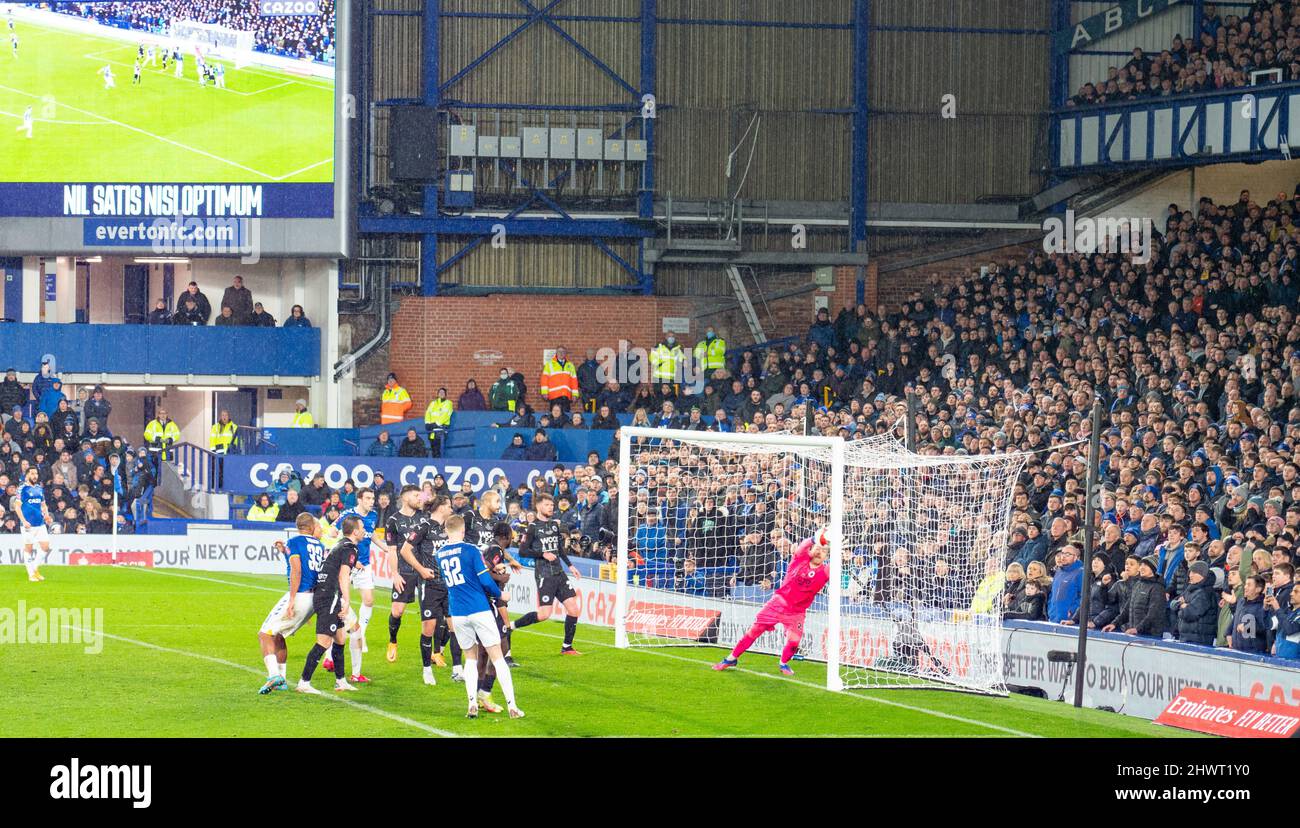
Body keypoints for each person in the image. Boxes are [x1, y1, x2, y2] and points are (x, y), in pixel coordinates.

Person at [714, 528, 834, 676]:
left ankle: (783, 663)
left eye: (823, 551)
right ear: (811, 550)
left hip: (796, 612)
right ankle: (731, 658)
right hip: (778, 603)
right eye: (817, 549)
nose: (818, 552)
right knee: (754, 631)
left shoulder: (825, 571)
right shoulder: (800, 560)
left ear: (826, 556)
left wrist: (839, 550)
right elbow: (803, 546)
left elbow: (837, 566)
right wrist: (815, 539)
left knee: (794, 641)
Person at [437, 514, 524, 718]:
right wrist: (501, 594)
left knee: (470, 659)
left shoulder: (440, 554)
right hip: (478, 608)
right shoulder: (471, 550)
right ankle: (512, 706)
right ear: (463, 530)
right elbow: (485, 580)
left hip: (457, 612)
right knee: (498, 657)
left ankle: (472, 704)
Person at [325, 488, 393, 681]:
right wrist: (334, 537)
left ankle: (360, 633)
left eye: (373, 498)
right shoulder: (348, 514)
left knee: (369, 600)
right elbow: (333, 530)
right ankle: (331, 653)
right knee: (337, 609)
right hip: (349, 562)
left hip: (364, 563)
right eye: (369, 498)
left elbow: (371, 535)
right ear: (360, 499)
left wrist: (385, 549)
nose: (372, 501)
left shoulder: (372, 515)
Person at [395, 494, 461, 681]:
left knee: (454, 627)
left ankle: (458, 669)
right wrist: (421, 569)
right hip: (429, 585)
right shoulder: (424, 527)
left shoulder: (450, 528)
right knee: (428, 628)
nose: (451, 509)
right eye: (449, 506)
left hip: (449, 584)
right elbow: (404, 551)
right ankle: (426, 670)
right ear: (441, 507)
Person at [296, 515, 362, 694]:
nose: (364, 531)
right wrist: (346, 601)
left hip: (326, 594)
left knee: (340, 639)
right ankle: (304, 682)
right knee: (324, 642)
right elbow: (343, 576)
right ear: (355, 531)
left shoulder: (341, 545)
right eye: (362, 528)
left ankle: (341, 681)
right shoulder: (350, 548)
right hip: (329, 596)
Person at [257, 514, 324, 694]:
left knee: (265, 634)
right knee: (279, 635)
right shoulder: (319, 545)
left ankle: (273, 675)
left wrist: (292, 599)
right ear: (311, 527)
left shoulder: (294, 541)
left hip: (299, 595)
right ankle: (283, 680)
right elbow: (313, 571)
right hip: (312, 598)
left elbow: (297, 570)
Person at [510, 492, 584, 655]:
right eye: (547, 505)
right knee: (544, 614)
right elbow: (522, 551)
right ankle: (511, 627)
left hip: (559, 572)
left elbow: (558, 548)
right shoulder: (532, 527)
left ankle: (567, 647)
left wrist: (570, 565)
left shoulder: (554, 525)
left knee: (573, 609)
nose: (551, 508)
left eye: (552, 505)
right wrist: (542, 554)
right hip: (544, 574)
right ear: (538, 506)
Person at [383, 485, 426, 668]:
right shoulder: (393, 520)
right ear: (404, 497)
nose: (419, 498)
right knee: (397, 611)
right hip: (405, 571)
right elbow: (392, 550)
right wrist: (394, 573)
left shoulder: (424, 517)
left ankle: (436, 651)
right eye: (416, 495)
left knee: (431, 613)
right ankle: (393, 641)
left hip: (424, 570)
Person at [1104, 557, 1167, 638]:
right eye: (1141, 565)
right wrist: (1114, 624)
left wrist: (1137, 629)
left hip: (1150, 637)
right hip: (1136, 634)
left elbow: (1153, 615)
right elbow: (1127, 609)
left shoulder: (1157, 588)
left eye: (1146, 565)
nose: (1142, 568)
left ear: (1153, 568)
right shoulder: (1138, 584)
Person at [15, 467, 51, 582]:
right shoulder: (22, 489)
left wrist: (46, 515)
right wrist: (24, 521)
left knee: (45, 547)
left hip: (40, 523)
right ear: (27, 476)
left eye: (36, 473)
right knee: (28, 549)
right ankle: (31, 575)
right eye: (32, 473)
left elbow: (43, 504)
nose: (35, 475)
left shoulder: (39, 488)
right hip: (27, 525)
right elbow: (17, 507)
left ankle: (34, 570)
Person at [1175, 560, 1218, 646]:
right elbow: (1173, 604)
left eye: (1194, 572)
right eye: (1190, 572)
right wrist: (1182, 605)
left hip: (1199, 639)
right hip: (1188, 636)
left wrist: (1181, 606)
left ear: (1203, 575)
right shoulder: (1190, 589)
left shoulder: (1205, 593)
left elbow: (1189, 613)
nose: (1190, 575)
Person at [1231, 575, 1270, 653]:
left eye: (1249, 585)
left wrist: (1248, 628)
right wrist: (1228, 632)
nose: (1245, 587)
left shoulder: (1263, 605)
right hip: (1236, 648)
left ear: (1258, 589)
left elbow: (1264, 626)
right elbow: (1235, 618)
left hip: (1254, 651)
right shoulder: (1241, 601)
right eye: (1245, 584)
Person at [1047, 545, 1083, 623]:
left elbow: (1083, 597)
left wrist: (1072, 611)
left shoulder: (1081, 573)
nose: (1063, 557)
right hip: (1053, 618)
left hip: (1069, 621)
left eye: (1067, 554)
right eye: (1062, 553)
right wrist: (1050, 610)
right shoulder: (1058, 571)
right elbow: (1052, 593)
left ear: (1075, 557)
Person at [540, 347, 579, 414]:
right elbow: (544, 379)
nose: (561, 353)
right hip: (554, 396)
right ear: (556, 353)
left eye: (563, 352)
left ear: (565, 354)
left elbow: (574, 381)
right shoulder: (549, 364)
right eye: (559, 351)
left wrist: (575, 394)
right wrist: (544, 392)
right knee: (554, 415)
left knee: (566, 415)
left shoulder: (570, 365)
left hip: (566, 396)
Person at [423, 387, 452, 457]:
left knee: (439, 451)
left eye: (443, 393)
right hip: (431, 431)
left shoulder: (448, 403)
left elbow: (446, 415)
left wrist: (436, 424)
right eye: (440, 392)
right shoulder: (433, 403)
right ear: (438, 394)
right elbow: (428, 413)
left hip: (441, 430)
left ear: (445, 394)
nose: (441, 394)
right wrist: (427, 423)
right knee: (433, 451)